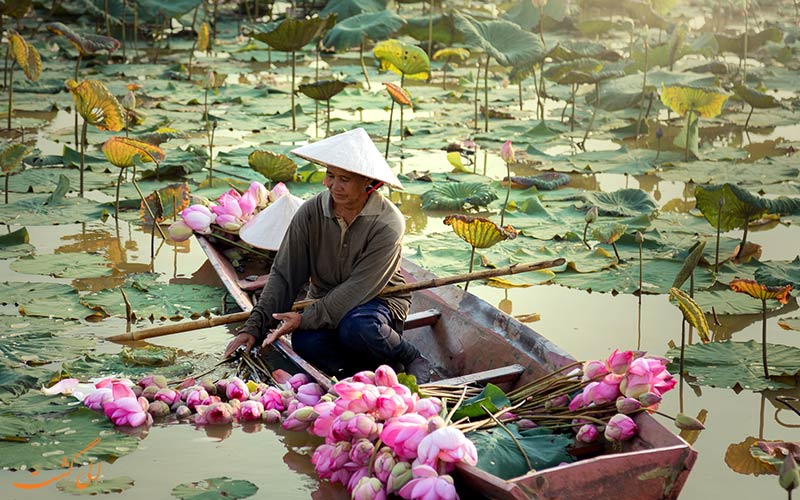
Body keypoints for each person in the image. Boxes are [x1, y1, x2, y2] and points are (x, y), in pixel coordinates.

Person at [223, 128, 431, 383]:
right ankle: (361, 373)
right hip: (323, 298)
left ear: (369, 183)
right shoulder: (310, 213)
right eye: (330, 175)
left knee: (358, 328)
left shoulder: (388, 223)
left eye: (344, 179)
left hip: (377, 301)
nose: (333, 185)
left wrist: (303, 318)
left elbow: (358, 289)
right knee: (306, 342)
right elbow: (285, 275)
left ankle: (410, 356)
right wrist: (254, 328)